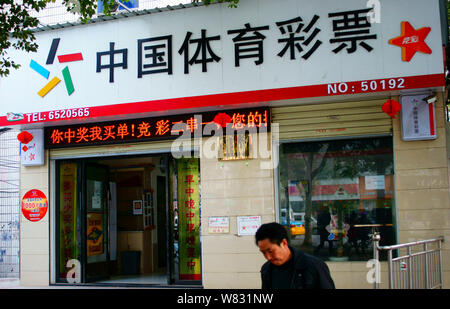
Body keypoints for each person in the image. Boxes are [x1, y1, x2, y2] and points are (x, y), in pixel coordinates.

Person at [255, 222, 335, 289]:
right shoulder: (266, 269)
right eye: (263, 252)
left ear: (284, 243)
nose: (268, 257)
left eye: (271, 251)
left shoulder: (314, 266)